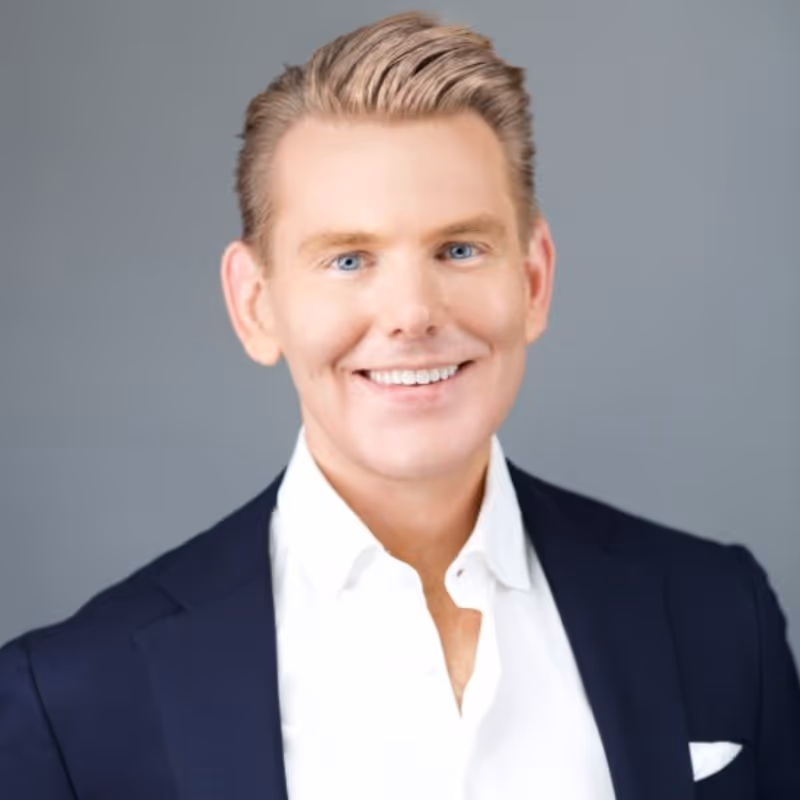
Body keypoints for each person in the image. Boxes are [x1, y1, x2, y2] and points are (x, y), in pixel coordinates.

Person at [1, 10, 798, 799]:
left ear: (532, 281)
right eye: (348, 259)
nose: (413, 313)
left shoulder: (721, 615)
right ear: (256, 305)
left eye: (459, 249)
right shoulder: (71, 701)